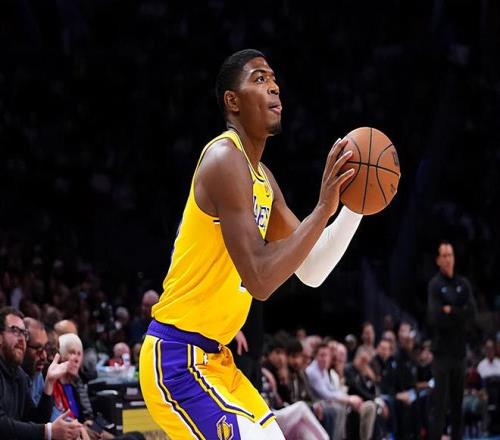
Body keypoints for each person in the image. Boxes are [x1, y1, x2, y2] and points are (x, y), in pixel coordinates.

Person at [139, 48, 364, 438]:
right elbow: (259, 278)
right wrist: (322, 208)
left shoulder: (263, 178)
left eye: (274, 79)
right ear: (233, 101)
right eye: (259, 78)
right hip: (177, 360)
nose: (274, 86)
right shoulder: (224, 158)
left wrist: (357, 207)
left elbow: (311, 268)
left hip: (216, 360)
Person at [0, 306, 84, 439]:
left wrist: (49, 383)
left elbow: (34, 420)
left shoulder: (19, 375)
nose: (22, 339)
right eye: (15, 331)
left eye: (24, 333)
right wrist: (48, 431)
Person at [427, 241, 478, 440]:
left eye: (451, 255)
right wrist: (459, 313)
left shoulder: (463, 284)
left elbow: (472, 315)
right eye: (444, 255)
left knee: (458, 405)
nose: (448, 259)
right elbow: (435, 318)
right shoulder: (435, 285)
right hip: (441, 354)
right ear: (438, 260)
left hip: (459, 353)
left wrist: (450, 310)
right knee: (439, 405)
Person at [22, 317, 49, 404]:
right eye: (37, 348)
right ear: (22, 345)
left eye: (45, 348)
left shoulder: (37, 374)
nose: (44, 356)